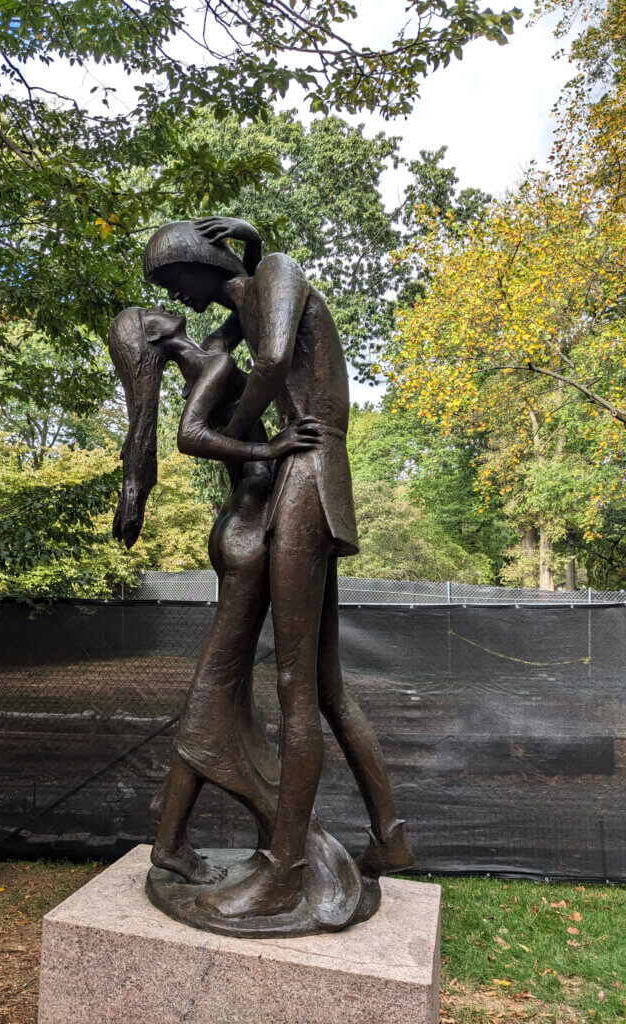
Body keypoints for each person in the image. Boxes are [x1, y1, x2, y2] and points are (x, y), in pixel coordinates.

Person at [143, 217, 413, 919]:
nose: (183, 296)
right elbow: (242, 330)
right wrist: (249, 242)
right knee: (325, 685)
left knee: (296, 688)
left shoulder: (278, 274)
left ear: (205, 258)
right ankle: (391, 840)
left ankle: (284, 874)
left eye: (179, 279)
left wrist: (241, 442)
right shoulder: (258, 285)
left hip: (306, 472)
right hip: (311, 473)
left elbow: (267, 359)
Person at [109, 304, 321, 884]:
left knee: (220, 683)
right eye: (152, 309)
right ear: (154, 333)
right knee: (217, 681)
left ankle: (170, 823)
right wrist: (269, 450)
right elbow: (190, 437)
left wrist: (248, 248)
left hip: (242, 529)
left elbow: (246, 310)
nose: (167, 304)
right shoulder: (214, 368)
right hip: (247, 535)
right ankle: (172, 838)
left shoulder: (211, 351)